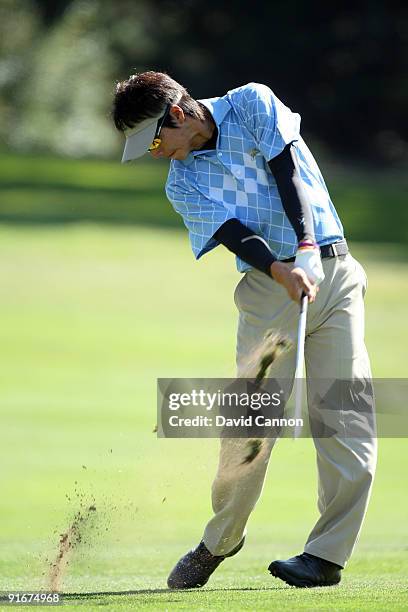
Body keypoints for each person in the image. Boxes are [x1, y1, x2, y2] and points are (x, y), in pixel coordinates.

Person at [112, 71, 377, 589]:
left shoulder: (252, 104)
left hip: (334, 272)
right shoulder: (182, 182)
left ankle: (325, 557)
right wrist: (283, 270)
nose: (155, 152)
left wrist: (304, 249)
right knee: (249, 426)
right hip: (268, 292)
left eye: (157, 140)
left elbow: (289, 172)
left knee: (348, 421)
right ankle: (222, 539)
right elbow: (236, 235)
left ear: (179, 115)